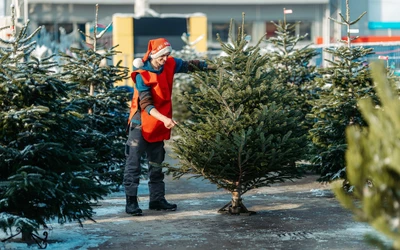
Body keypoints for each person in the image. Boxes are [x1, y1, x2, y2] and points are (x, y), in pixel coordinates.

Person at [124, 37, 212, 215]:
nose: (165, 59)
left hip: (159, 121)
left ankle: (157, 200)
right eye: (162, 56)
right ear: (153, 55)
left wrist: (210, 67)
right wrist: (164, 119)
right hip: (141, 123)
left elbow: (189, 65)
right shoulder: (142, 75)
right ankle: (131, 202)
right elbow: (146, 104)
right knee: (134, 163)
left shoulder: (170, 64)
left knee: (156, 163)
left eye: (168, 55)